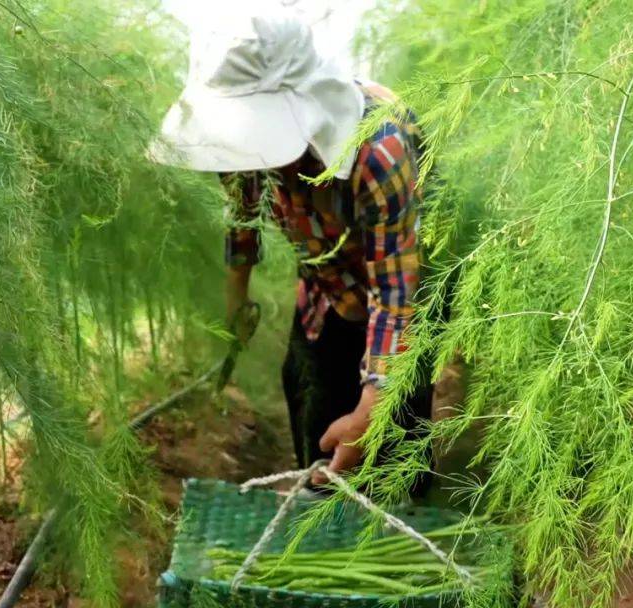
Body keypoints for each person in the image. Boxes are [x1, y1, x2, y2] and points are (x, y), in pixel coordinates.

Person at [150, 11, 432, 488]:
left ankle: (400, 537)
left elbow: (395, 293)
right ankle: (321, 524)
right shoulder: (239, 146)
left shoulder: (377, 148)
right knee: (314, 404)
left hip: (404, 289)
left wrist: (370, 407)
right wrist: (235, 300)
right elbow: (242, 210)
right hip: (326, 282)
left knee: (395, 436)